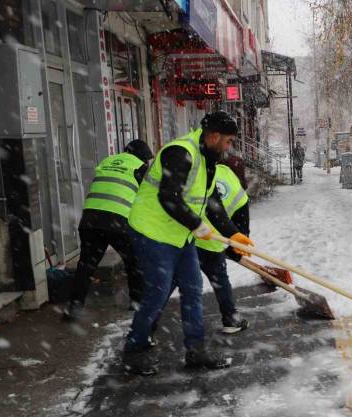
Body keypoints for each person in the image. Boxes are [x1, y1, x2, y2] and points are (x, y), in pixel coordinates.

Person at [122, 112, 254, 376]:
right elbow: (169, 197)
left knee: (193, 290)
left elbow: (212, 203)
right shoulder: (181, 153)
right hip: (152, 232)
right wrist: (196, 224)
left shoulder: (208, 161)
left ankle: (196, 351)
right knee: (158, 293)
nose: (229, 147)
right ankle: (133, 350)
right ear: (214, 136)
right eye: (227, 141)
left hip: (180, 236)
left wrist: (233, 235)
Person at [150, 161, 250, 341]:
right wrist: (235, 250)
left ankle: (149, 325)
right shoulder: (237, 189)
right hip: (212, 244)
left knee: (170, 281)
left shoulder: (200, 172)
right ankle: (231, 319)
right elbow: (242, 224)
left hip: (187, 237)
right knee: (220, 281)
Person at [63, 140, 153, 322]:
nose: (148, 163)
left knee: (86, 264)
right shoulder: (139, 167)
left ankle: (74, 307)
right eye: (147, 159)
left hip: (90, 219)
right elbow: (147, 200)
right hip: (117, 220)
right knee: (134, 262)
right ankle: (137, 302)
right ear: (142, 157)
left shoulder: (107, 161)